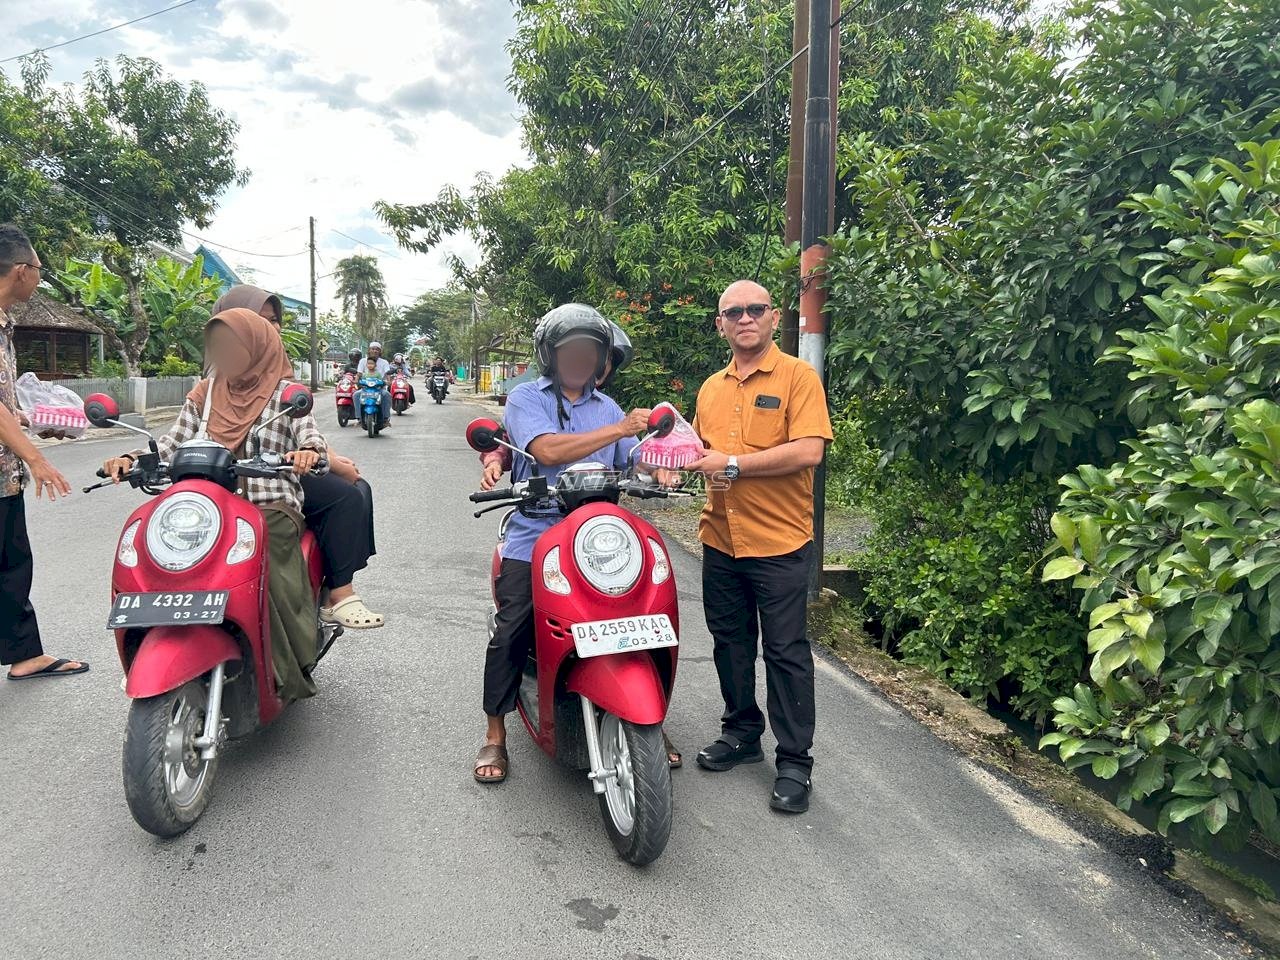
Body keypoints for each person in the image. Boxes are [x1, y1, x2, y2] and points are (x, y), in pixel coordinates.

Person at [476, 318, 683, 767]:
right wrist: (621, 429)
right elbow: (547, 451)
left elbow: (632, 459)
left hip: (600, 529)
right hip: (537, 530)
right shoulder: (526, 397)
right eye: (570, 351)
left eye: (589, 352)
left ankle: (650, 719)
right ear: (551, 355)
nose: (579, 360)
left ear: (600, 361)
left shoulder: (608, 406)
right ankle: (496, 731)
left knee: (648, 609)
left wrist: (657, 467)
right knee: (513, 624)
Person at [103, 309, 331, 699]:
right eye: (219, 347)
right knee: (156, 551)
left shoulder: (285, 395)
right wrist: (131, 459)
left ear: (257, 347)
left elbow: (312, 438)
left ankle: (284, 667)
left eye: (235, 345)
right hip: (206, 507)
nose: (226, 354)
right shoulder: (205, 394)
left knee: (267, 564)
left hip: (268, 504)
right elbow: (172, 443)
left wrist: (308, 453)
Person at [685, 279, 833, 815]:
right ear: (721, 324)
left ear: (773, 317)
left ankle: (794, 761)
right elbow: (696, 450)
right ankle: (742, 733)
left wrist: (731, 465)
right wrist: (660, 460)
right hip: (720, 538)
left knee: (786, 652)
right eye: (733, 312)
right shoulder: (710, 388)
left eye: (755, 309)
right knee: (730, 642)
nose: (745, 318)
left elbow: (809, 451)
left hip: (778, 541)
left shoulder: (798, 377)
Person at [212, 285, 383, 629]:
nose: (270, 328)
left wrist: (328, 457)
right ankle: (340, 591)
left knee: (356, 487)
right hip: (228, 480)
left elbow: (302, 428)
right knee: (348, 495)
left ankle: (336, 589)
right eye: (258, 320)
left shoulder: (277, 372)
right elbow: (177, 438)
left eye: (274, 320)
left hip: (276, 472)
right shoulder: (209, 386)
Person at [0, 224, 87, 681]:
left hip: (3, 471)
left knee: (12, 562)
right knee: (10, 562)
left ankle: (25, 653)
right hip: (5, 469)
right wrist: (36, 459)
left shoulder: (4, 322)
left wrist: (38, 423)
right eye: (37, 268)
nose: (39, 276)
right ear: (20, 271)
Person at [366, 342, 393, 424]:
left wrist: (388, 381)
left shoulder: (384, 362)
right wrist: (357, 380)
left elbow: (387, 373)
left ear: (380, 352)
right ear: (369, 350)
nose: (375, 351)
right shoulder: (363, 361)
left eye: (377, 349)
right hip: (365, 389)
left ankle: (386, 418)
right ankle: (359, 418)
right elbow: (359, 374)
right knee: (356, 395)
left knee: (387, 395)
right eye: (373, 349)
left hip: (379, 388)